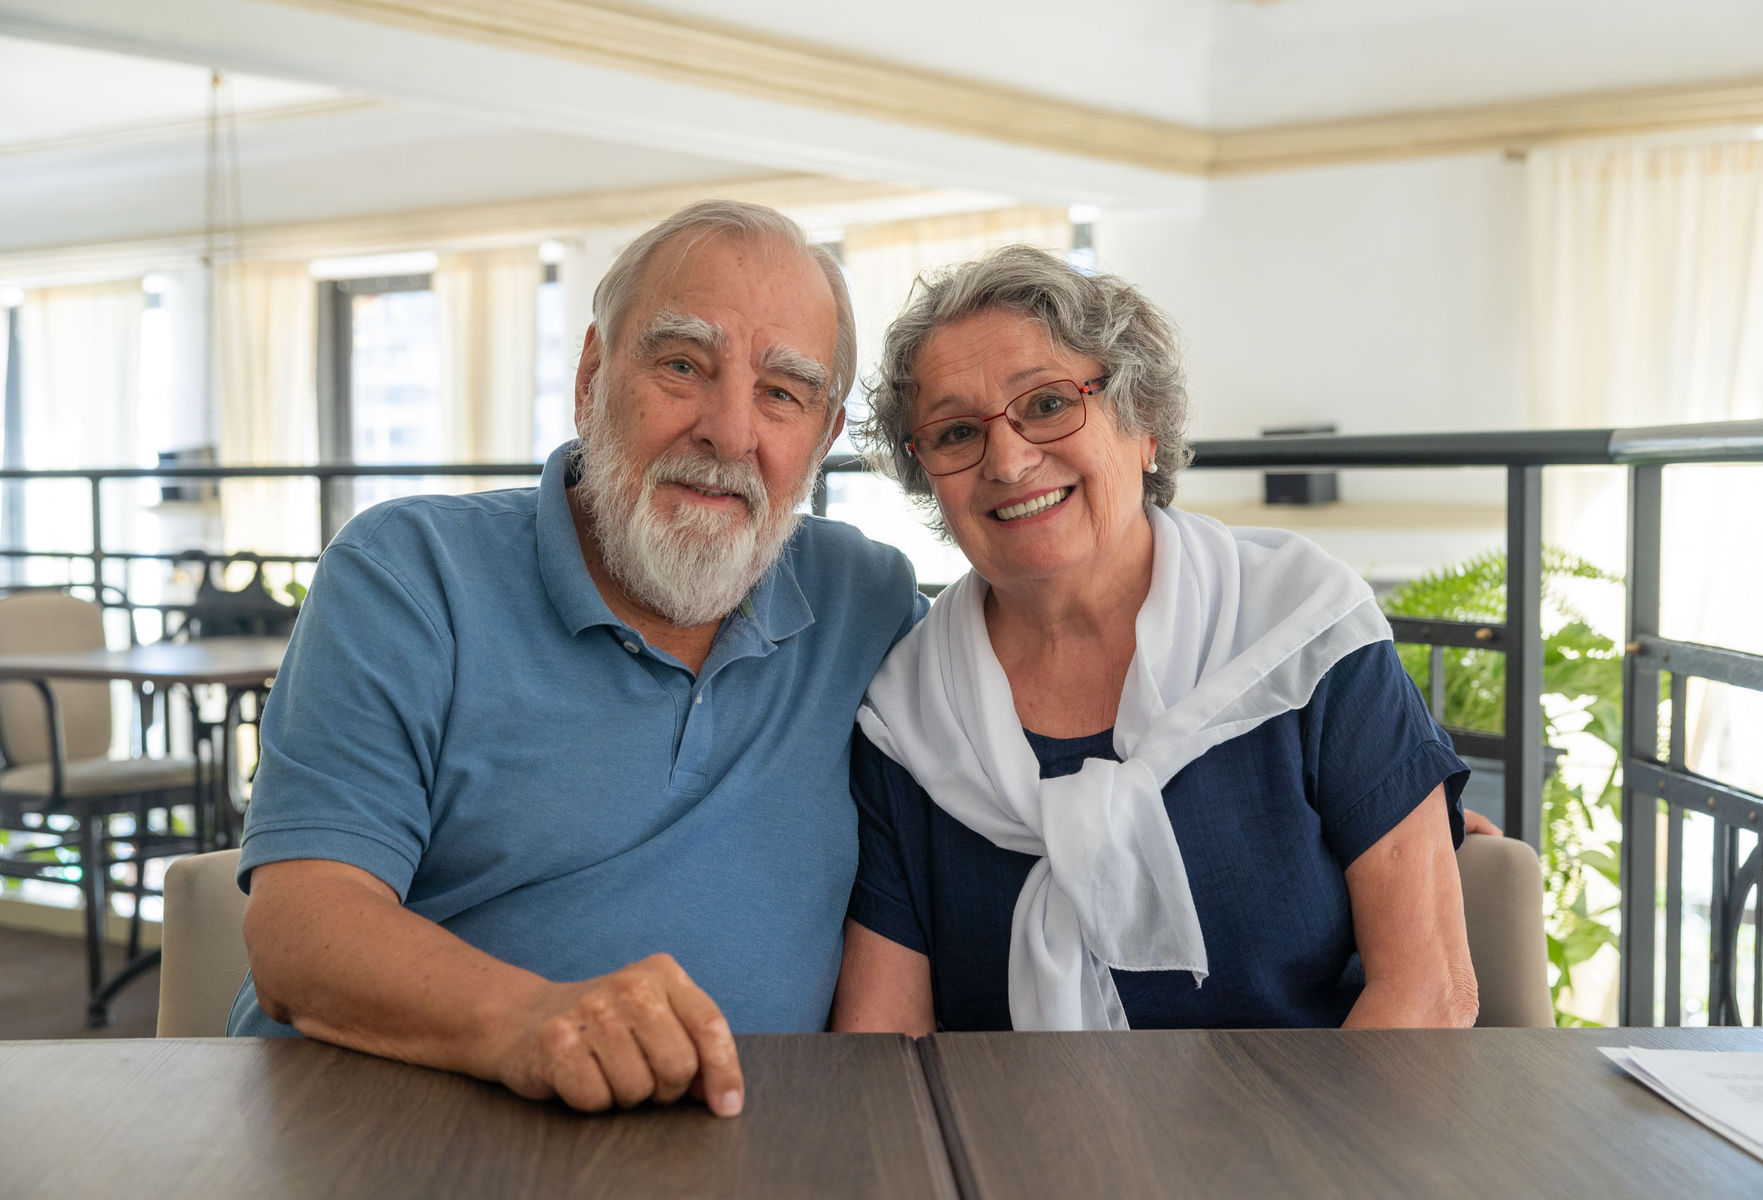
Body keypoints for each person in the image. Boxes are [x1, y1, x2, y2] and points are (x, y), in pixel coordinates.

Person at [228, 200, 925, 1116]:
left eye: (782, 393)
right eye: (682, 364)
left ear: (825, 440)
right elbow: (302, 931)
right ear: (593, 376)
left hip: (730, 1149)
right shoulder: (408, 572)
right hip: (381, 1132)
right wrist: (536, 1022)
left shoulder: (863, 602)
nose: (729, 430)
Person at [831, 246, 1482, 1035]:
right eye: (956, 431)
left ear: (1143, 426)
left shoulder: (1304, 633)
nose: (1006, 459)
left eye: (1045, 404)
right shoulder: (908, 719)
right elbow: (885, 1048)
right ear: (927, 478)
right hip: (1008, 1153)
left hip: (1314, 1142)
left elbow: (1427, 996)